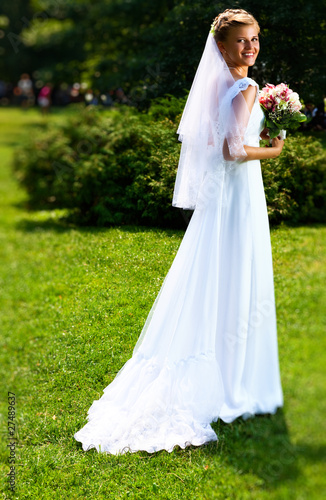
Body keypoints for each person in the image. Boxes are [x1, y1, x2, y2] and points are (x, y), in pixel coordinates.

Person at [74, 9, 284, 455]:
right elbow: (230, 150)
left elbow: (210, 141)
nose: (250, 48)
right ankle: (235, 376)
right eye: (242, 41)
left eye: (255, 39)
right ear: (223, 47)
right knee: (235, 273)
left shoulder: (214, 83)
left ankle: (224, 365)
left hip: (220, 199)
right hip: (237, 195)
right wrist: (274, 149)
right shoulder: (244, 87)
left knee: (214, 274)